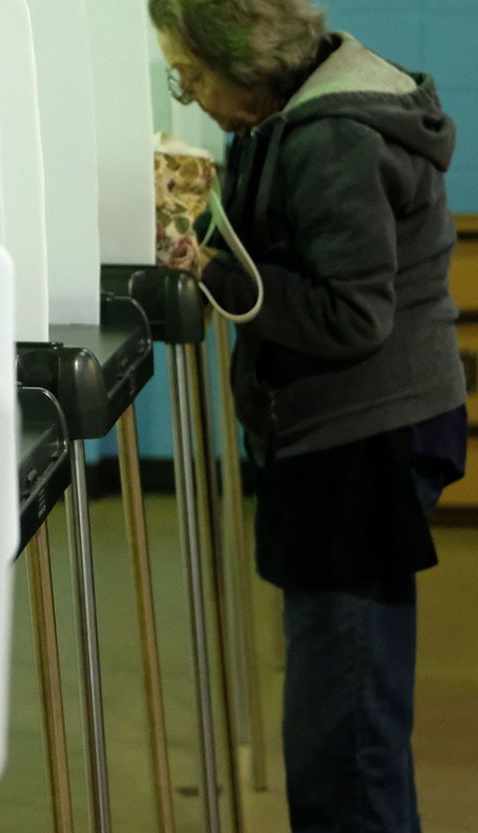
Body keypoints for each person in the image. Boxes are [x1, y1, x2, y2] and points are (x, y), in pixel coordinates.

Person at [148, 0, 468, 830]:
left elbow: (350, 313)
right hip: (338, 436)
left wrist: (208, 266)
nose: (194, 95)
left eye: (192, 78)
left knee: (344, 738)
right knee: (345, 718)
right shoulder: (293, 117)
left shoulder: (331, 138)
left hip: (359, 442)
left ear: (244, 65)